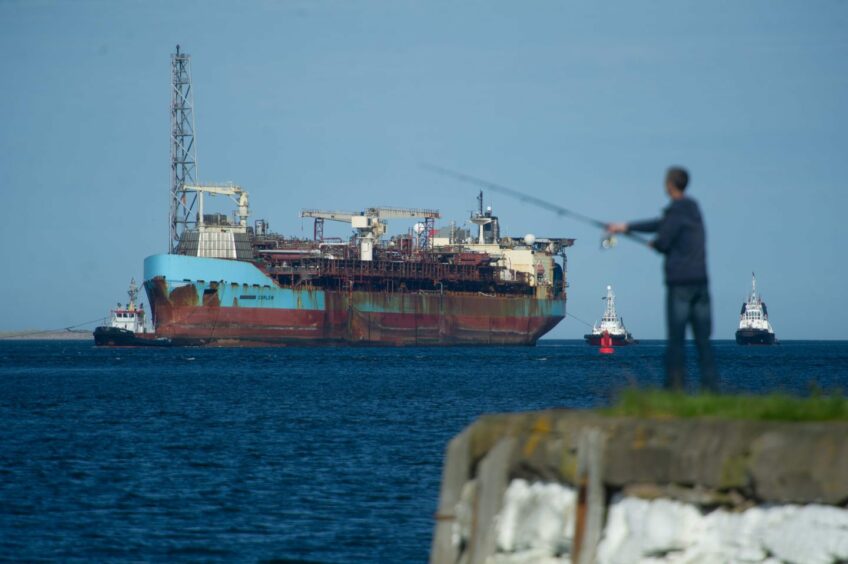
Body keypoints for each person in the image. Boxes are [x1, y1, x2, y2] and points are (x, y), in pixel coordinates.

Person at [607, 166, 719, 392]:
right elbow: (661, 224)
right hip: (701, 282)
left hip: (680, 284)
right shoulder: (692, 208)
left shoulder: (676, 211)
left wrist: (655, 244)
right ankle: (711, 388)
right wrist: (625, 227)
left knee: (676, 340)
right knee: (703, 340)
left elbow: (663, 239)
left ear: (669, 185)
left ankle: (675, 389)